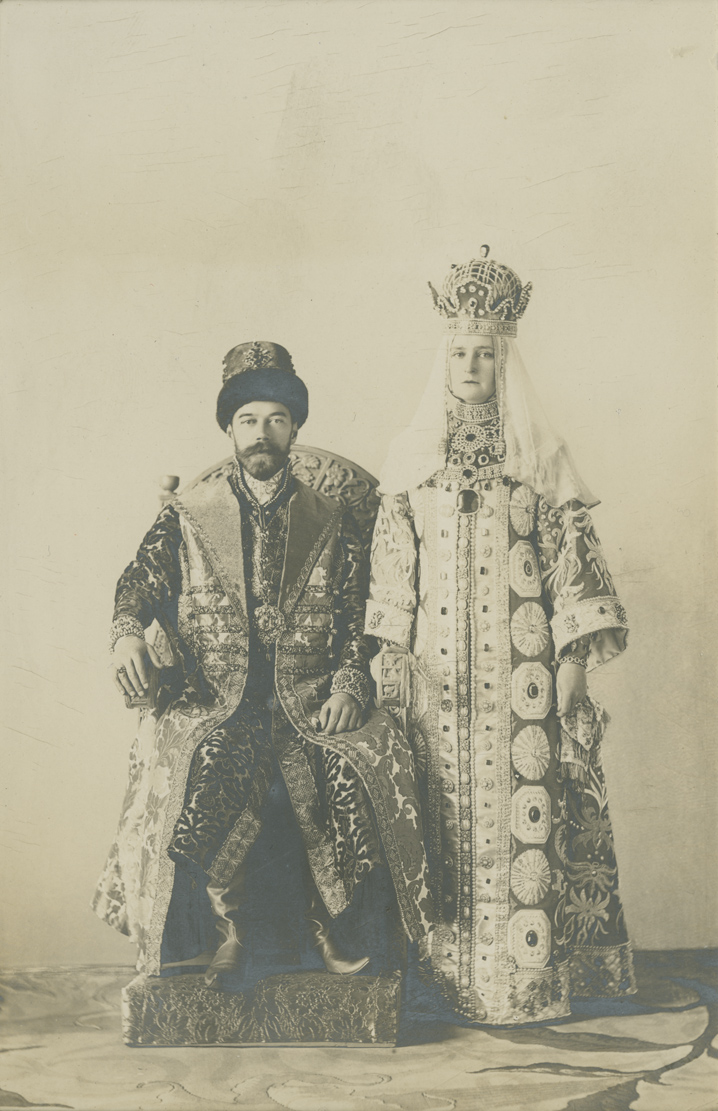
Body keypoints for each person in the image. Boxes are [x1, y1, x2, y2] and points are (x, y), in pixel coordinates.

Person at [93, 340, 432, 989]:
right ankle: (227, 932)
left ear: (295, 427)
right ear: (229, 427)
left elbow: (359, 616)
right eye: (248, 419)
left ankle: (344, 931)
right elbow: (137, 581)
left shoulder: (332, 519)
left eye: (276, 418)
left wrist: (347, 680)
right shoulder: (190, 517)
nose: (262, 433)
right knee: (220, 758)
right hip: (216, 693)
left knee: (343, 761)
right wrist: (126, 637)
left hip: (306, 696)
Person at [365, 250, 635, 1025]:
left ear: (504, 358)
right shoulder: (411, 464)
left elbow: (570, 563)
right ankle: (441, 985)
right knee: (441, 820)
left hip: (524, 679)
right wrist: (389, 652)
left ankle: (522, 986)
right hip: (435, 679)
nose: (473, 364)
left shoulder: (537, 462)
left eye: (486, 352)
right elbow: (394, 567)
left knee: (526, 816)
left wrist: (574, 657)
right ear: (443, 360)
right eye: (460, 352)